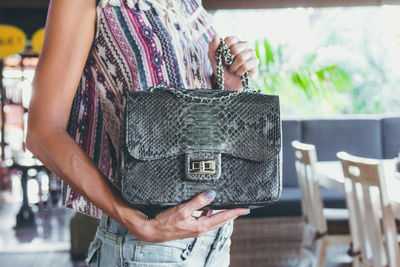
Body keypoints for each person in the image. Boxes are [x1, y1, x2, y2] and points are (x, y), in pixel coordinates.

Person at [26, 0, 259, 266]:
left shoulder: (187, 3)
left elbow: (196, 121)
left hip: (214, 241)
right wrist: (138, 222)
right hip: (148, 246)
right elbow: (42, 132)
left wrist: (229, 84)